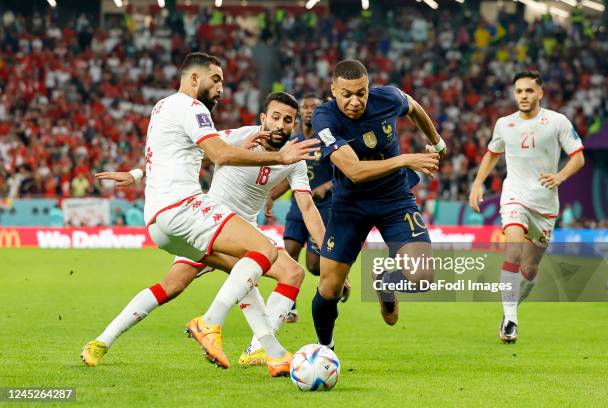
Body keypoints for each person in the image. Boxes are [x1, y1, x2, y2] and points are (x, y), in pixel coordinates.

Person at [81, 52, 319, 377]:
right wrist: (279, 157)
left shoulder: (163, 106)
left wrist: (136, 175)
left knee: (227, 276)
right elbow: (218, 153)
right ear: (194, 79)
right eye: (216, 80)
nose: (222, 88)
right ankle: (210, 323)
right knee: (261, 252)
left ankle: (267, 350)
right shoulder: (197, 111)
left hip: (163, 221)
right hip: (195, 213)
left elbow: (177, 152)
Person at [310, 59, 443, 349]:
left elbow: (414, 107)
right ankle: (325, 350)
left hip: (395, 200)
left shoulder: (388, 97)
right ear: (333, 90)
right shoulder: (325, 118)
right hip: (350, 204)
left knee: (422, 277)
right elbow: (354, 172)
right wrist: (406, 159)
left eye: (362, 93)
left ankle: (385, 281)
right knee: (330, 287)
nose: (355, 101)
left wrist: (437, 141)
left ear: (369, 88)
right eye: (347, 94)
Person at [469, 70, 584, 343]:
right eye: (519, 91)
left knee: (530, 271)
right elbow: (491, 154)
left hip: (544, 205)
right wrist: (477, 183)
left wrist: (560, 176)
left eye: (529, 91)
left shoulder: (557, 122)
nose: (523, 95)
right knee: (513, 250)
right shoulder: (504, 124)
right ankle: (510, 320)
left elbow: (578, 158)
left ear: (540, 93)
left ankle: (512, 307)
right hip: (514, 197)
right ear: (514, 93)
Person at [264, 93, 349, 323]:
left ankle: (339, 278)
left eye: (314, 107)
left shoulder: (328, 138)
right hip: (297, 206)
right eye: (306, 106)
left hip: (322, 208)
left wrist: (327, 185)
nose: (310, 110)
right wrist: (271, 196)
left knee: (313, 265)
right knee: (289, 250)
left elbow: (345, 170)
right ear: (300, 112)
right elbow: (286, 174)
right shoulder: (295, 139)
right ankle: (289, 308)